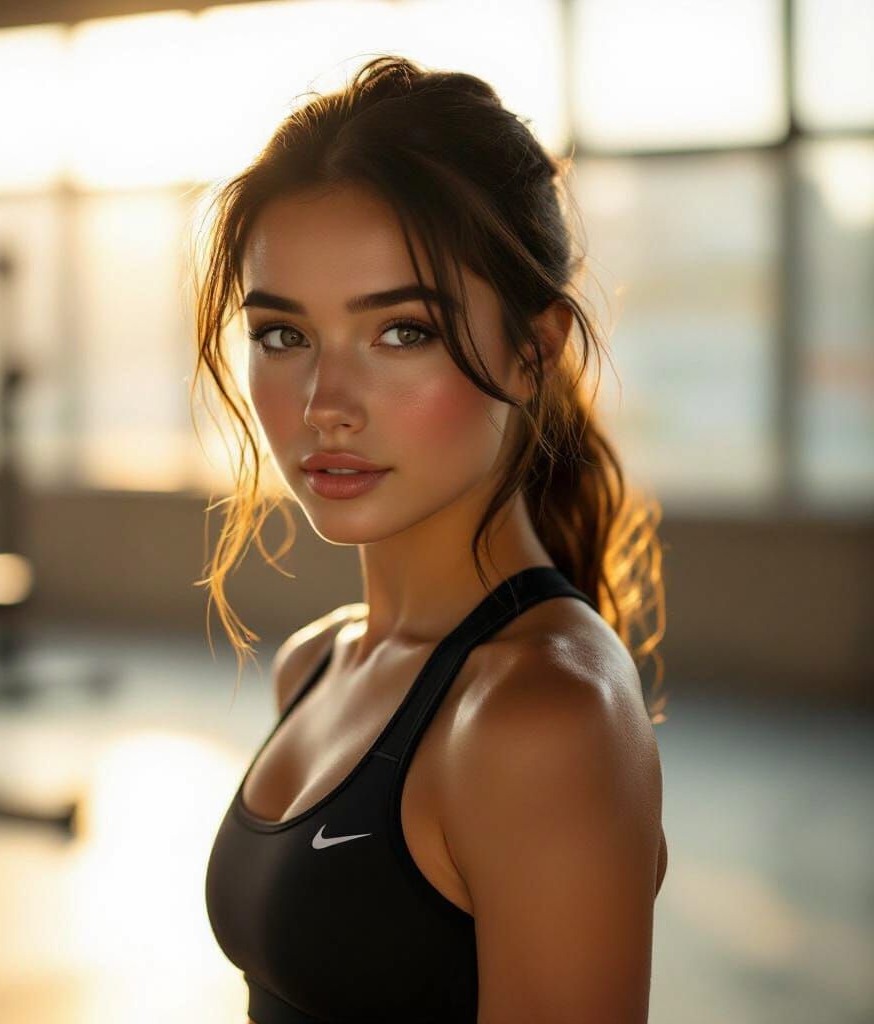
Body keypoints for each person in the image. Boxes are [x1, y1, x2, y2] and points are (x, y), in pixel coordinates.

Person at [197, 54, 668, 1024]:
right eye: (283, 335)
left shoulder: (543, 720)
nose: (324, 404)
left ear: (534, 351)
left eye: (401, 331)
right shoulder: (316, 665)